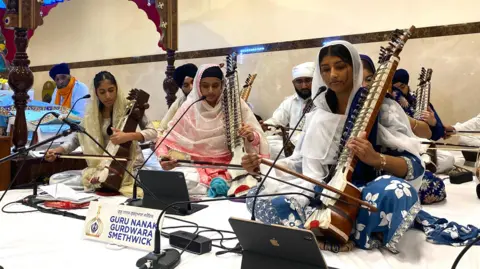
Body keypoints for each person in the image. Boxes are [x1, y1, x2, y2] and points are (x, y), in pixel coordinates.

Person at [242, 41, 424, 253]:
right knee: (256, 196)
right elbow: (300, 162)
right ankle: (329, 229)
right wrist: (261, 166)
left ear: (354, 68)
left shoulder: (383, 109)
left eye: (340, 66)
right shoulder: (317, 115)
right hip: (319, 192)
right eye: (326, 69)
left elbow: (414, 166)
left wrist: (376, 159)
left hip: (365, 195)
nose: (333, 75)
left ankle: (327, 230)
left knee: (398, 191)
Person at [156, 64, 269, 197]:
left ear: (222, 85)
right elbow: (164, 140)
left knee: (256, 180)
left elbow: (258, 138)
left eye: (215, 86)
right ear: (198, 86)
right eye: (205, 86)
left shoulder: (235, 104)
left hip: (232, 166)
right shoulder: (190, 107)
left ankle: (222, 184)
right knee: (177, 181)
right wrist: (164, 158)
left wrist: (250, 136)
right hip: (197, 168)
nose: (210, 91)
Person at [45, 71, 157, 196]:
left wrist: (127, 136)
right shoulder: (91, 114)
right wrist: (58, 151)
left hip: (131, 167)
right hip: (101, 168)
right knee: (55, 179)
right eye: (102, 92)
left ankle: (102, 184)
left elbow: (153, 133)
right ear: (96, 93)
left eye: (111, 90)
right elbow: (78, 137)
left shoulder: (130, 108)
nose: (107, 96)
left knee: (149, 182)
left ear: (116, 89)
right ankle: (101, 182)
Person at [361, 54, 446, 204]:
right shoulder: (331, 111)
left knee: (438, 167)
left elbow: (435, 132)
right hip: (370, 172)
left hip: (407, 154)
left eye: (369, 80)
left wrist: (432, 123)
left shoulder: (392, 103)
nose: (364, 85)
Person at [391, 68, 455, 174]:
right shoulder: (391, 101)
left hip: (423, 146)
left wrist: (433, 123)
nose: (399, 92)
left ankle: (420, 169)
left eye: (402, 87)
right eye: (395, 89)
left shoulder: (417, 99)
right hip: (403, 148)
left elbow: (437, 134)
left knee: (448, 158)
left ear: (407, 85)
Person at [262, 62, 315, 159]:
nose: (304, 86)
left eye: (308, 81)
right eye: (299, 81)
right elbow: (276, 120)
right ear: (293, 83)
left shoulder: (322, 101)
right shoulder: (290, 101)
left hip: (312, 147)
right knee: (264, 143)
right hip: (291, 146)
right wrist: (264, 126)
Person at [158, 63, 198, 134]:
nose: (191, 87)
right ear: (181, 88)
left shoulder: (209, 99)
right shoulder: (180, 102)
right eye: (186, 85)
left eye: (193, 82)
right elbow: (163, 127)